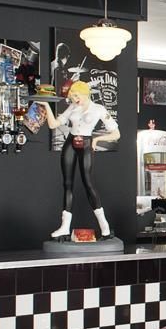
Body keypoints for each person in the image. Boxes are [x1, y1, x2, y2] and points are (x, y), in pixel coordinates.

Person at [40, 81, 118, 239]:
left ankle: (104, 226)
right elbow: (53, 124)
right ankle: (64, 227)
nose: (75, 99)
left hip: (86, 143)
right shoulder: (72, 107)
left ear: (85, 93)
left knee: (88, 183)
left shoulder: (99, 109)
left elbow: (116, 134)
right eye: (72, 97)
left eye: (77, 96)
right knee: (67, 184)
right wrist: (46, 105)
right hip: (70, 142)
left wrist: (97, 140)